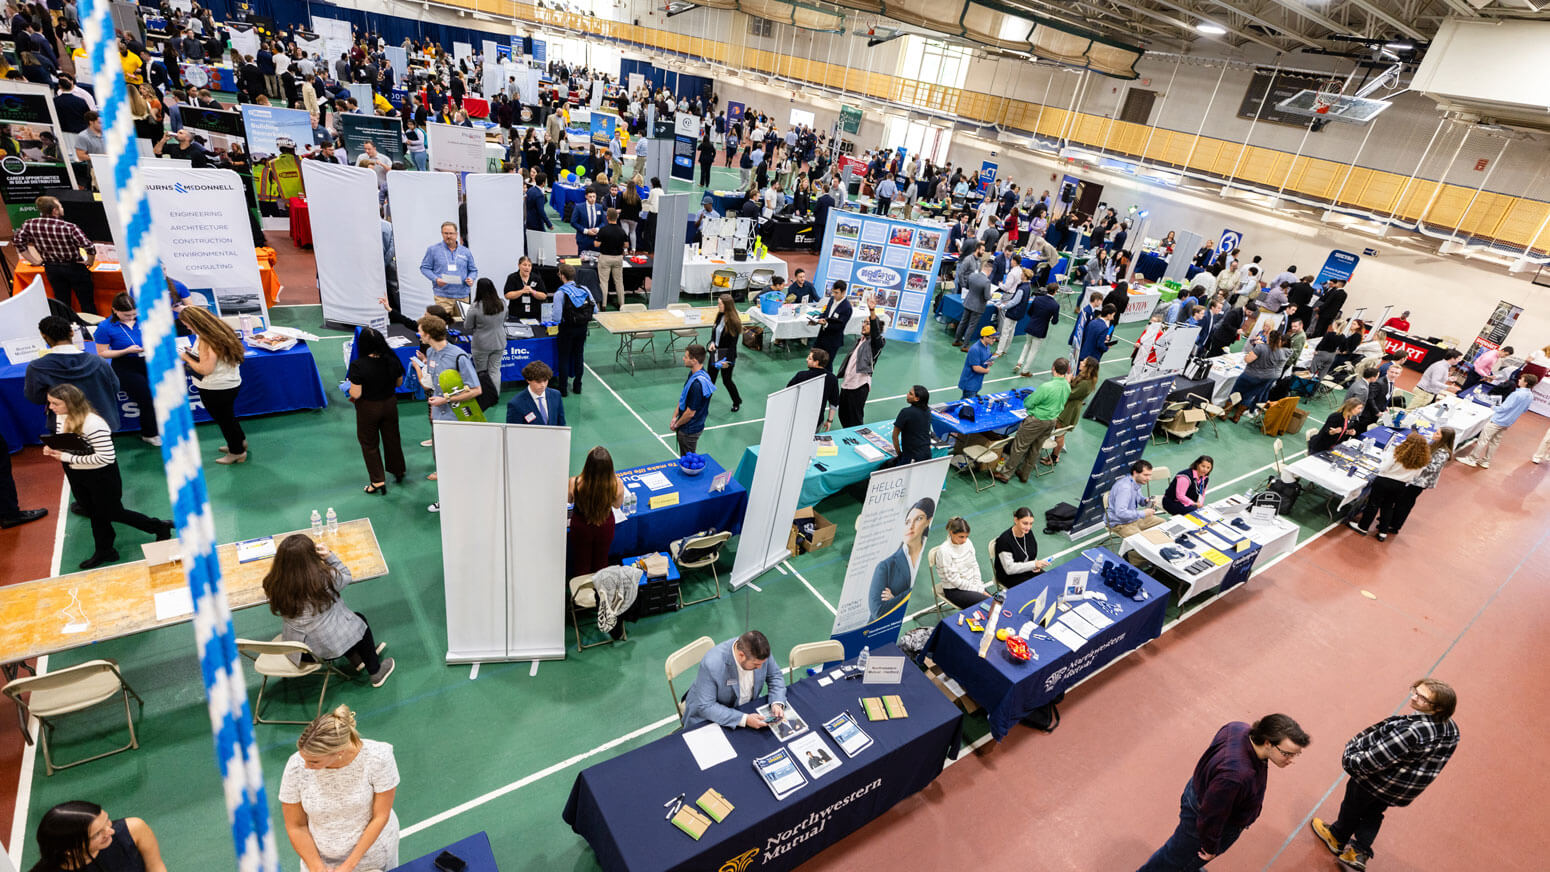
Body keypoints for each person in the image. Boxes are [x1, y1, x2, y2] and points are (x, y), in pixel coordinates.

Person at [1311, 679, 1459, 872]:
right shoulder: (1452, 728)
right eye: (1415, 691)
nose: (1413, 696)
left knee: (1352, 805)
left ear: (1437, 708)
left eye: (1422, 698)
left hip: (1375, 782)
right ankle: (1360, 851)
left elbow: (1372, 761)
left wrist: (1350, 760)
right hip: (1400, 787)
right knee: (1374, 812)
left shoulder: (1411, 731)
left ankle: (1337, 837)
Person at [1136, 714, 1311, 872]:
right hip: (1204, 820)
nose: (1291, 761)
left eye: (1296, 754)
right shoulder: (1235, 775)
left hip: (1198, 791)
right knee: (1173, 859)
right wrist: (1210, 846)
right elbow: (1212, 815)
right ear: (1267, 742)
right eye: (1287, 754)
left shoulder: (1237, 728)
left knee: (1178, 854)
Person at [40, 385, 173, 570]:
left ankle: (158, 526)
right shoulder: (61, 416)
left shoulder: (94, 424)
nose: (51, 407)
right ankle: (105, 550)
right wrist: (55, 449)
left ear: (71, 403)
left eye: (55, 403)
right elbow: (68, 440)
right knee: (93, 512)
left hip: (100, 476)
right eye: (50, 402)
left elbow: (106, 458)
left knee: (112, 512)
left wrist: (65, 457)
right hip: (77, 473)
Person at [279, 706, 400, 872]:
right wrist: (316, 867)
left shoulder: (378, 758)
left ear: (339, 752)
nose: (306, 766)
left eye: (314, 762)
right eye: (304, 758)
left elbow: (381, 816)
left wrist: (348, 866)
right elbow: (296, 825)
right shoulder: (296, 765)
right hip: (318, 861)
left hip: (371, 858)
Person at [262, 534, 395, 685]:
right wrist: (330, 556)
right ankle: (376, 672)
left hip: (299, 650)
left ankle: (357, 660)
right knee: (359, 621)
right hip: (322, 652)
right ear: (312, 556)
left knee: (342, 623)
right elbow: (346, 576)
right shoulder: (325, 578)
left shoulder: (273, 582)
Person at [170, 307, 248, 465]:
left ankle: (237, 452)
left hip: (216, 388)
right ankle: (240, 442)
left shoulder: (206, 340)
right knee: (228, 417)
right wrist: (194, 354)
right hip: (229, 382)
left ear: (195, 323)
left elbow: (205, 369)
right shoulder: (221, 329)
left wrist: (186, 357)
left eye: (187, 324)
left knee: (224, 420)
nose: (187, 328)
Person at [682, 630, 787, 730]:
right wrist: (744, 719)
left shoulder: (760, 651)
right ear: (741, 655)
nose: (760, 667)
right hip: (713, 714)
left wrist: (777, 702)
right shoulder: (712, 664)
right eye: (756, 664)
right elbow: (706, 706)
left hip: (747, 706)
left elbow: (774, 676)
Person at [14, 195, 98, 315]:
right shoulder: (69, 227)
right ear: (55, 210)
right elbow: (89, 247)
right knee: (86, 302)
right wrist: (90, 261)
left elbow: (18, 242)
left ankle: (66, 328)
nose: (62, 208)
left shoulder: (29, 224)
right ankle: (91, 327)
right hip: (74, 268)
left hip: (52, 269)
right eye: (60, 206)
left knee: (62, 302)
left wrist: (34, 261)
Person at [26, 801, 168, 872]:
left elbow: (156, 867)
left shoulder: (134, 829)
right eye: (97, 834)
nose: (111, 831)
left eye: (107, 821)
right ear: (69, 849)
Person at [347, 327, 405, 495]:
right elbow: (399, 383)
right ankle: (398, 470)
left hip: (368, 408)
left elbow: (356, 393)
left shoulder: (358, 365)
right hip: (389, 405)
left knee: (369, 444)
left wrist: (348, 388)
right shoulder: (392, 359)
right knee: (392, 438)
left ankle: (377, 480)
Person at [997, 357, 1071, 483]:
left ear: (1053, 368)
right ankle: (1024, 474)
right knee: (1036, 448)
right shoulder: (1067, 386)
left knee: (1019, 447)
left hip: (1036, 421)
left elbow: (1030, 403)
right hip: (1051, 421)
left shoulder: (1047, 386)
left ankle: (1005, 474)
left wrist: (1027, 401)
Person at [1348, 432, 1431, 541]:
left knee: (1373, 504)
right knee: (1388, 506)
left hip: (1384, 481)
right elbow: (1416, 475)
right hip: (1401, 485)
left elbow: (1384, 468)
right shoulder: (1422, 461)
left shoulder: (1397, 454)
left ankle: (1363, 527)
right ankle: (1383, 532)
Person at [868, 497, 935, 622]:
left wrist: (895, 599)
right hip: (880, 631)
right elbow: (878, 612)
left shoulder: (926, 556)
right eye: (908, 522)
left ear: (928, 521)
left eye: (918, 519)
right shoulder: (885, 566)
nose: (911, 526)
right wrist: (906, 596)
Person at [1458, 373, 1538, 470]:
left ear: (1526, 382)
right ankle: (1486, 461)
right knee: (1495, 442)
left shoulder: (1516, 394)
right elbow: (1525, 410)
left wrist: (1493, 406)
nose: (1519, 380)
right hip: (1508, 422)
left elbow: (1504, 407)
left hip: (1498, 420)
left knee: (1483, 440)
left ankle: (1472, 459)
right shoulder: (1530, 396)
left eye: (1521, 379)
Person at [567, 446, 623, 579]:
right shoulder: (617, 484)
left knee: (581, 564)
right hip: (604, 525)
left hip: (581, 527)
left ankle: (582, 597)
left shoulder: (575, 483)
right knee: (601, 562)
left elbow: (569, 500)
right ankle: (600, 594)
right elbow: (617, 505)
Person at [836, 302, 885, 427]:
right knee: (843, 415)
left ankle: (858, 444)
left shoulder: (876, 343)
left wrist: (872, 310)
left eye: (867, 323)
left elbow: (875, 333)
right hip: (847, 384)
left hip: (859, 387)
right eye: (863, 322)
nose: (864, 325)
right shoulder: (860, 340)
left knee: (855, 420)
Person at [1225, 329, 1288, 421]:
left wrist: (1247, 356)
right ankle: (1237, 416)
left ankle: (1225, 413)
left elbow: (1248, 360)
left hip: (1250, 375)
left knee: (1235, 392)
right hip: (1265, 378)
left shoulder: (1261, 347)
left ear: (1268, 338)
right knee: (1248, 396)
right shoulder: (1280, 352)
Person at [553, 262, 596, 397]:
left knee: (564, 358)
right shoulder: (584, 289)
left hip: (567, 330)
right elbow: (595, 309)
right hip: (582, 328)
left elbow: (556, 318)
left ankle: (563, 389)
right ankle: (578, 386)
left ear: (562, 276)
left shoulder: (560, 293)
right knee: (579, 355)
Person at [1046, 356, 1098, 466]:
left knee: (1060, 434)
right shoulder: (1083, 377)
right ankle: (1054, 456)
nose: (1081, 362)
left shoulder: (1086, 383)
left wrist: (1068, 382)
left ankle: (1054, 457)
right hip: (1069, 406)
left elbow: (1070, 394)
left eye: (1084, 362)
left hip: (1070, 410)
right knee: (1058, 432)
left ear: (1087, 367)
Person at [418, 221, 478, 313]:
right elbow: (424, 268)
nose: (448, 236)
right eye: (446, 233)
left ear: (456, 234)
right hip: (442, 296)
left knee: (462, 325)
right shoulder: (433, 250)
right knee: (443, 324)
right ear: (442, 233)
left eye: (451, 233)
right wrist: (436, 279)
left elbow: (473, 270)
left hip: (463, 296)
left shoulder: (466, 251)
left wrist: (471, 278)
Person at [462, 278, 506, 398]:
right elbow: (504, 319)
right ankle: (495, 395)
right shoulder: (502, 303)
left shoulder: (475, 307)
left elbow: (467, 326)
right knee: (495, 370)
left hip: (481, 344)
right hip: (499, 342)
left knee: (481, 372)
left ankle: (484, 396)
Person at [934, 517, 990, 608]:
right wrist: (979, 590)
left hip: (971, 584)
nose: (964, 540)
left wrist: (978, 585)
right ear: (951, 533)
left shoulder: (968, 543)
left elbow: (974, 566)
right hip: (954, 589)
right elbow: (955, 581)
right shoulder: (944, 551)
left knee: (994, 603)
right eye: (961, 537)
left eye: (966, 536)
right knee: (988, 604)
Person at [992, 507, 1052, 589]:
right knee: (1032, 589)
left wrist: (1036, 565)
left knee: (1048, 580)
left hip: (1027, 569)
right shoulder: (1004, 541)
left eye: (1031, 523)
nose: (1028, 527)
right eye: (1025, 523)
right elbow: (1009, 569)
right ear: (1016, 520)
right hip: (1009, 575)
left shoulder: (1028, 533)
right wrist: (1033, 564)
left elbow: (1031, 554)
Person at [671, 344, 715, 454]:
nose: (683, 358)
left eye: (686, 357)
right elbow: (683, 397)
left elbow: (690, 413)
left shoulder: (697, 384)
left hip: (689, 430)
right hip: (689, 425)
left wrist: (677, 424)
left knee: (688, 461)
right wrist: (674, 416)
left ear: (694, 360)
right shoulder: (695, 374)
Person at [707, 293, 744, 413]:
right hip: (716, 351)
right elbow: (714, 331)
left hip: (726, 354)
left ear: (727, 305)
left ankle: (736, 401)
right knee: (710, 379)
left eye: (720, 304)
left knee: (726, 380)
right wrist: (712, 342)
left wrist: (728, 361)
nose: (718, 306)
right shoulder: (720, 315)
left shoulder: (733, 322)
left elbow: (732, 345)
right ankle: (704, 403)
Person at [1107, 460, 1163, 538]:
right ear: (1135, 473)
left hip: (1134, 518)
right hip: (1120, 524)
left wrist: (1145, 501)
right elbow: (1120, 513)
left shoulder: (1136, 482)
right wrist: (1143, 513)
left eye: (1150, 475)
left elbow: (1139, 500)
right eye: (1145, 475)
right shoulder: (1125, 488)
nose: (1149, 478)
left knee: (1163, 524)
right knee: (1143, 541)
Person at [787, 349, 840, 431]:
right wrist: (829, 421)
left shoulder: (801, 376)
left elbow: (787, 393)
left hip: (798, 419)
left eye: (810, 358)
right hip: (817, 421)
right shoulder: (832, 379)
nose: (806, 360)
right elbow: (834, 402)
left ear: (816, 362)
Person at [1015, 283, 1061, 377]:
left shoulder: (1038, 298)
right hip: (1040, 330)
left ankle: (1019, 363)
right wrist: (1050, 318)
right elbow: (1054, 322)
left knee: (1027, 345)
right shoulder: (1055, 305)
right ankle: (1025, 371)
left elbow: (1030, 312)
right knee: (1033, 351)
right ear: (1055, 292)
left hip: (1031, 326)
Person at [885, 385, 933, 467]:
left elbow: (895, 436)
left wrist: (899, 453)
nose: (907, 395)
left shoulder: (906, 412)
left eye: (910, 394)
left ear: (917, 399)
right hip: (927, 454)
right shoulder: (928, 411)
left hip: (912, 457)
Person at [507, 360, 565, 427]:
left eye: (545, 380)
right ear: (528, 380)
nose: (543, 385)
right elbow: (514, 431)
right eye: (538, 382)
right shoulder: (516, 404)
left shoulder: (556, 395)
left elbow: (561, 424)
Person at [810, 281, 852, 368]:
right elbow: (825, 314)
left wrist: (826, 324)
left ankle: (829, 381)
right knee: (814, 360)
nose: (834, 294)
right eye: (833, 291)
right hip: (821, 336)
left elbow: (840, 326)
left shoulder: (847, 307)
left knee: (826, 364)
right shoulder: (831, 299)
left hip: (832, 341)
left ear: (843, 292)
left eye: (836, 293)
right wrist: (816, 320)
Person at [954, 260, 995, 348]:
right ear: (989, 271)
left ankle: (956, 340)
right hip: (978, 307)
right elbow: (987, 297)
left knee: (963, 322)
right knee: (971, 326)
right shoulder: (987, 282)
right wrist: (991, 295)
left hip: (968, 302)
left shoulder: (972, 275)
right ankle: (965, 346)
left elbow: (968, 287)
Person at [595, 207, 629, 310]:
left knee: (604, 282)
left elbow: (596, 244)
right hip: (618, 258)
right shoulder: (621, 231)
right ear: (617, 217)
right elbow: (626, 245)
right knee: (619, 282)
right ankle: (622, 304)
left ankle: (603, 305)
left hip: (605, 258)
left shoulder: (603, 230)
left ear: (607, 217)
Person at [503, 255, 548, 321]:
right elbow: (507, 295)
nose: (527, 268)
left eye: (529, 265)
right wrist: (521, 291)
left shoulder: (536, 278)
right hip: (515, 315)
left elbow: (544, 296)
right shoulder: (512, 277)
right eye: (524, 265)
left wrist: (533, 291)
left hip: (534, 315)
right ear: (519, 265)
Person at [959, 325, 998, 399]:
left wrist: (989, 362)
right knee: (967, 405)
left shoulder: (987, 346)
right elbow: (976, 368)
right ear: (985, 337)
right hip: (970, 383)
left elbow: (985, 358)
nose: (994, 340)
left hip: (977, 382)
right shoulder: (975, 349)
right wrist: (986, 370)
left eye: (995, 338)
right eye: (992, 338)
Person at [572, 189, 605, 254]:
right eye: (590, 197)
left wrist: (597, 229)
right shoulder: (579, 207)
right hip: (583, 239)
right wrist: (586, 231)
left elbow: (603, 222)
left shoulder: (599, 207)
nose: (592, 199)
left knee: (596, 261)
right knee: (582, 261)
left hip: (596, 239)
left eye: (594, 196)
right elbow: (573, 222)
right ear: (586, 196)